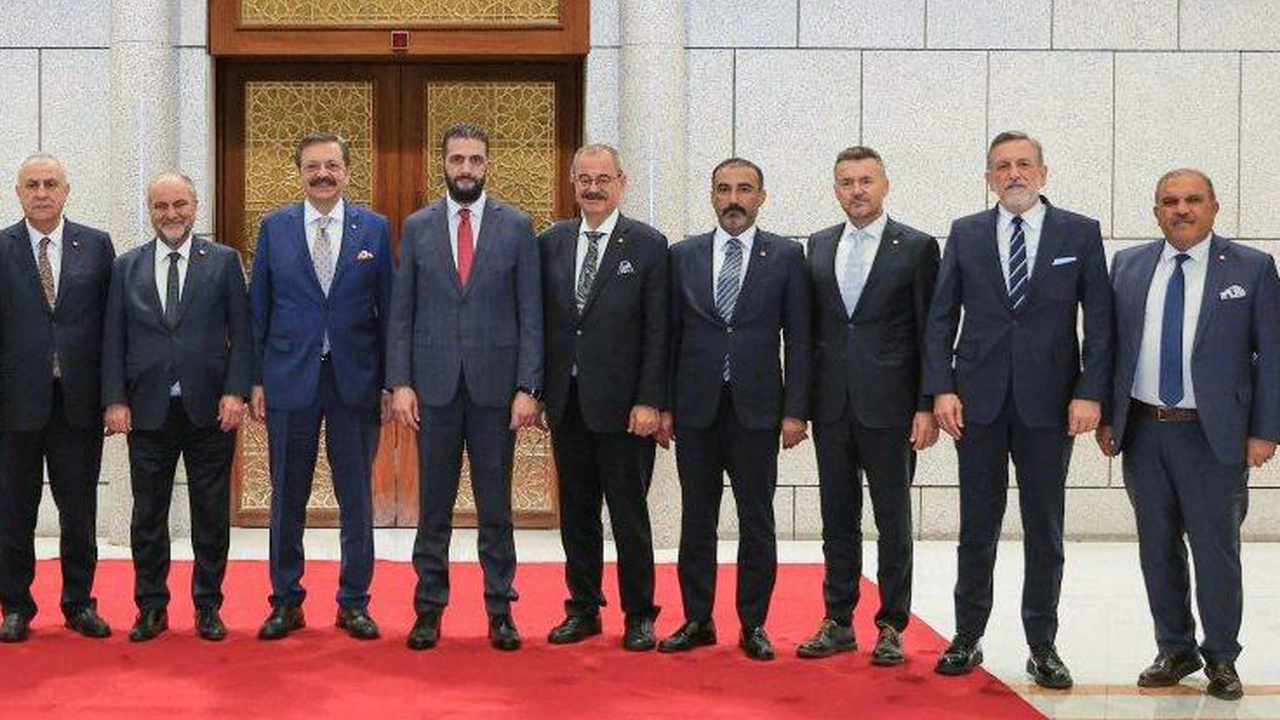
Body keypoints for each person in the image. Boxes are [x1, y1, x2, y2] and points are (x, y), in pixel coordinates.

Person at [923, 131, 1112, 688]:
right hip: (975, 404)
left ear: (1043, 173)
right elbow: (941, 317)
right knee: (976, 528)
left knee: (1044, 530)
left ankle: (1042, 645)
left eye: (1023, 164)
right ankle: (967, 635)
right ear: (988, 178)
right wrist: (941, 388)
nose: (1013, 174)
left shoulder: (1080, 232)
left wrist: (1090, 391)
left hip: (1051, 406)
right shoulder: (966, 232)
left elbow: (1100, 320)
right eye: (1002, 166)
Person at [1096, 169, 1279, 701]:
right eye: (1170, 201)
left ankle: (1221, 656)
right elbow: (1110, 348)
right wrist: (1109, 416)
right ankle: (1174, 648)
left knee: (1215, 549)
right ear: (1156, 211)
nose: (1182, 209)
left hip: (1213, 436)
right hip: (1144, 431)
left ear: (1214, 207)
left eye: (1193, 200)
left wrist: (1265, 430)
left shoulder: (1252, 267)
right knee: (1157, 547)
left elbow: (1273, 355)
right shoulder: (1128, 265)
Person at [388, 122, 543, 652]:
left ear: (488, 164)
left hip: (496, 393)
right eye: (457, 159)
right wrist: (400, 382)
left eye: (476, 159)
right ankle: (428, 609)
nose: (466, 169)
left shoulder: (517, 226)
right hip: (433, 391)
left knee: (495, 509)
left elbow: (531, 313)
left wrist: (528, 386)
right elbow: (402, 312)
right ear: (444, 163)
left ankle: (500, 610)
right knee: (433, 507)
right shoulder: (418, 226)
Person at [658, 158, 810, 661]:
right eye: (724, 189)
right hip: (695, 409)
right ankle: (697, 619)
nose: (733, 199)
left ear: (761, 197)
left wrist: (795, 411)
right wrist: (663, 406)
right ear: (711, 195)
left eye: (744, 190)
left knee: (756, 519)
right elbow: (668, 337)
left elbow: (799, 340)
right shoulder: (683, 255)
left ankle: (754, 623)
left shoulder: (785, 256)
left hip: (758, 411)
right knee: (696, 519)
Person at [249, 132, 393, 641]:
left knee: (357, 498)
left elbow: (390, 311)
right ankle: (286, 600)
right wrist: (255, 379)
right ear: (300, 173)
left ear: (348, 171)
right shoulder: (275, 228)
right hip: (289, 380)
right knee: (287, 496)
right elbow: (258, 309)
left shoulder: (374, 229)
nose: (322, 175)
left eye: (331, 165)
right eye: (313, 167)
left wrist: (391, 383)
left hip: (356, 381)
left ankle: (354, 601)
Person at [798, 146, 939, 665]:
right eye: (846, 182)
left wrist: (926, 404)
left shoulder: (917, 247)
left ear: (884, 185)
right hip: (831, 406)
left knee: (893, 522)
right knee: (837, 519)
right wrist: (801, 405)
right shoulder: (818, 245)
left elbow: (930, 332)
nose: (856, 190)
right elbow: (808, 332)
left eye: (865, 181)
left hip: (893, 408)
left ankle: (891, 624)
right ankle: (837, 620)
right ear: (835, 189)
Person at [102, 173, 252, 642]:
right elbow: (113, 339)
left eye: (180, 204)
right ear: (150, 210)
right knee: (148, 516)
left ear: (195, 205)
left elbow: (243, 333)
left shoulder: (223, 261)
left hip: (211, 411)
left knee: (211, 514)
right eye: (161, 206)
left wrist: (236, 392)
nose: (171, 214)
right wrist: (115, 399)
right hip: (146, 411)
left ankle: (208, 606)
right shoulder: (126, 266)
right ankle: (151, 607)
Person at [539, 144, 667, 651]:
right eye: (584, 179)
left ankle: (639, 614)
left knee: (629, 515)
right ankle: (584, 609)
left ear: (621, 182)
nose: (593, 188)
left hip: (626, 409)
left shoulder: (648, 245)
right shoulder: (551, 241)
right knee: (577, 513)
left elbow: (659, 330)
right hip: (567, 402)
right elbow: (544, 322)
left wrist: (650, 400)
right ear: (573, 183)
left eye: (603, 179)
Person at [0, 154, 115, 643]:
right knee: (13, 512)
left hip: (78, 404)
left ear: (67, 190)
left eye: (51, 184)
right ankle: (15, 606)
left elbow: (112, 327)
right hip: (14, 406)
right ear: (18, 193)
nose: (42, 192)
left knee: (79, 511)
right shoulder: (2, 247)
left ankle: (79, 603)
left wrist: (113, 396)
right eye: (32, 185)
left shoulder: (96, 245)